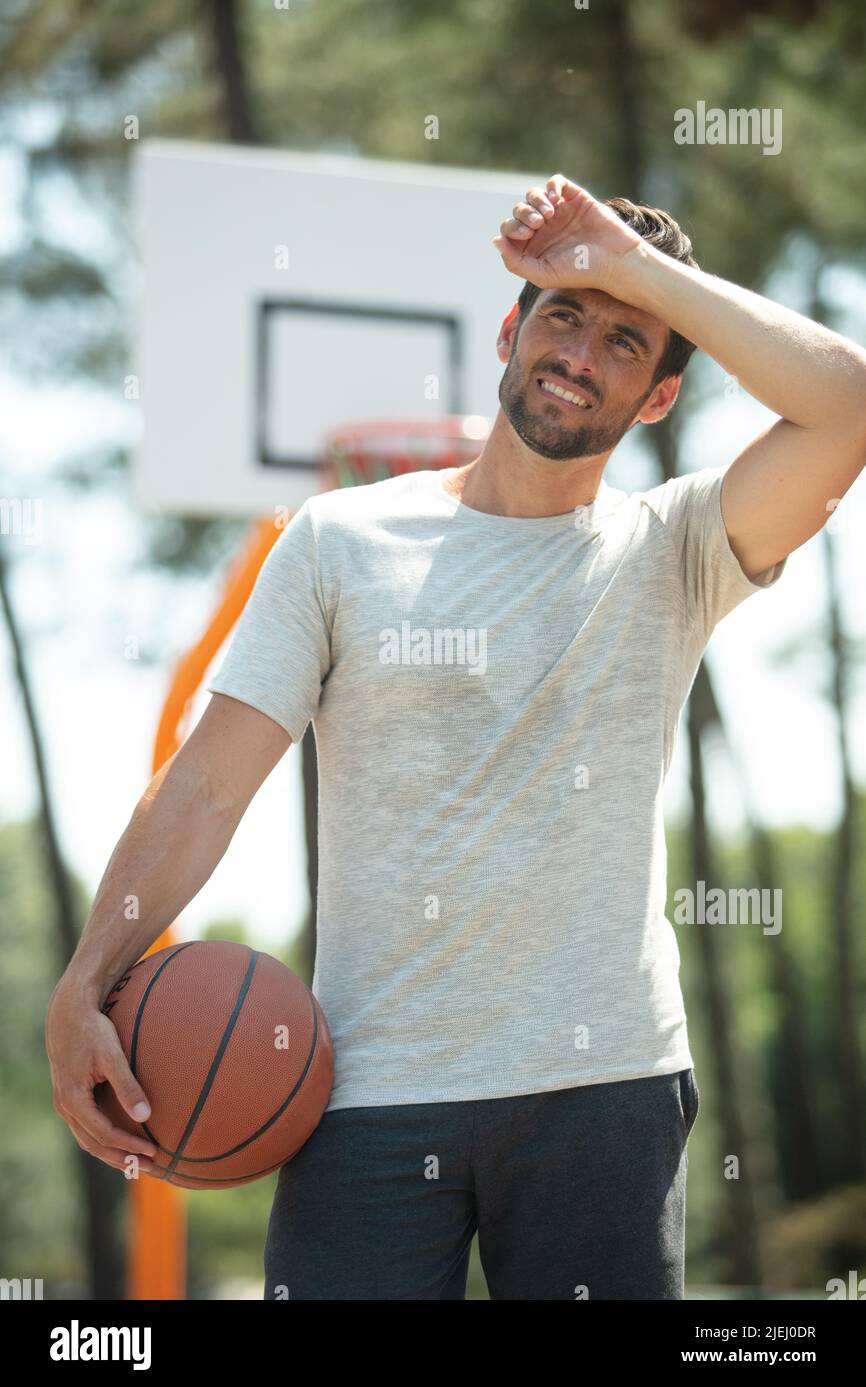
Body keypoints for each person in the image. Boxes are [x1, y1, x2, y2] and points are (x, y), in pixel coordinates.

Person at [46, 174, 866, 1300]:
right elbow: (205, 788)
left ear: (660, 398)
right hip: (366, 1096)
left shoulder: (671, 547)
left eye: (624, 340)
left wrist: (623, 264)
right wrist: (86, 980)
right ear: (507, 329)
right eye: (561, 313)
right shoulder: (337, 540)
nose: (579, 350)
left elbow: (846, 406)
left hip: (604, 1088)